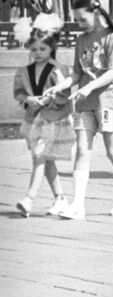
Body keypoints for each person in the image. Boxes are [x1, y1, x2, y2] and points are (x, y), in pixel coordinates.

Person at [54, 0, 113, 219]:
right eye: (76, 20)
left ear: (95, 13)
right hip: (85, 101)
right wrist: (62, 86)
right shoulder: (82, 40)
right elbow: (78, 72)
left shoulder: (112, 38)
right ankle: (78, 204)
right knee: (81, 149)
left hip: (109, 100)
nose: (79, 24)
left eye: (82, 19)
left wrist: (88, 88)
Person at [13, 20, 70, 217]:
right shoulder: (25, 71)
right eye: (34, 48)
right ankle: (60, 197)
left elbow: (64, 95)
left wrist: (49, 98)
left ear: (51, 48)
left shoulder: (58, 69)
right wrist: (28, 100)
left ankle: (29, 198)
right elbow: (18, 94)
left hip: (53, 119)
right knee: (45, 160)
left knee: (40, 155)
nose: (37, 52)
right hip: (33, 120)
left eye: (42, 48)